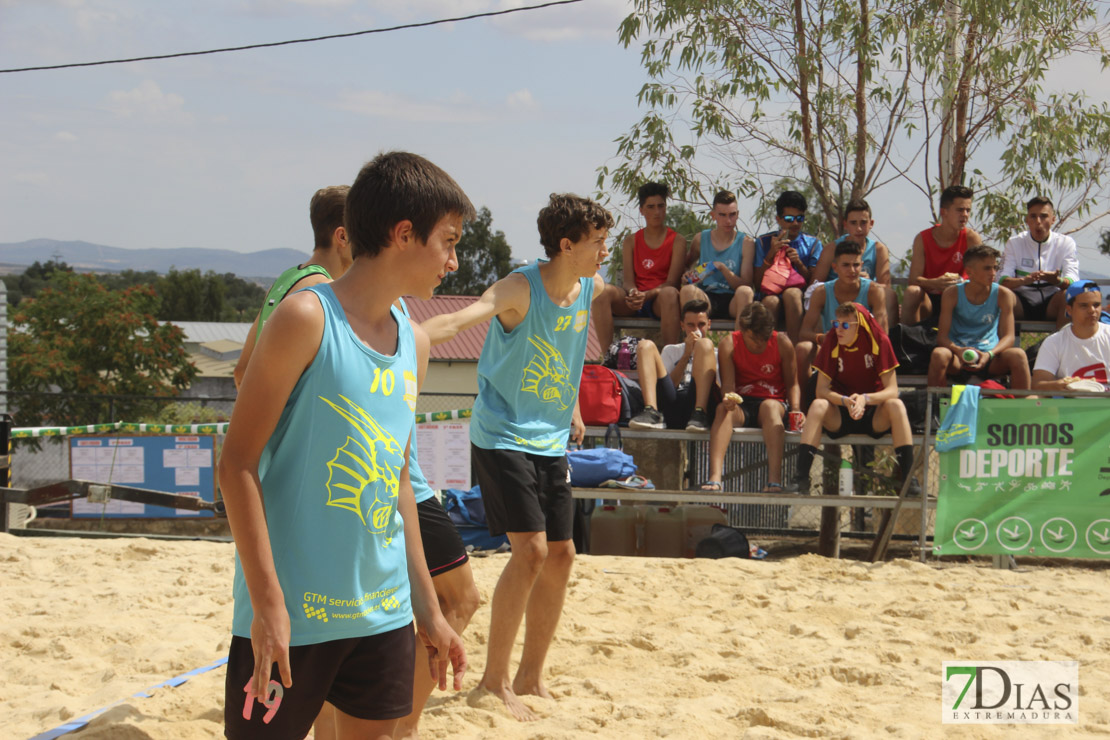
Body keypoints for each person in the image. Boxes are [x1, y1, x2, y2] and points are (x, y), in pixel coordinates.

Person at [218, 151, 470, 740]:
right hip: (293, 616)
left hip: (381, 615)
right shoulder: (306, 318)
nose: (454, 262)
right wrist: (267, 605)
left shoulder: (415, 341)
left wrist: (428, 610)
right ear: (403, 234)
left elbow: (398, 479)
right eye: (449, 243)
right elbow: (236, 465)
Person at [422, 193, 612, 722]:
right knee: (529, 552)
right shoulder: (518, 288)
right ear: (566, 245)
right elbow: (462, 320)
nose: (604, 251)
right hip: (502, 434)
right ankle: (493, 681)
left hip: (549, 438)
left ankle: (531, 675)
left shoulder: (588, 286)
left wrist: (570, 402)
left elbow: (567, 351)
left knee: (562, 555)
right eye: (597, 242)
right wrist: (409, 336)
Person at [791, 302, 918, 495]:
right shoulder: (832, 339)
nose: (839, 330)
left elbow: (892, 390)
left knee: (896, 405)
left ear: (860, 325)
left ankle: (909, 479)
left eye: (845, 325)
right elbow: (822, 390)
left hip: (873, 412)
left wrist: (864, 399)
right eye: (836, 323)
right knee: (818, 405)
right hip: (841, 412)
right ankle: (800, 478)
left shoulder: (879, 340)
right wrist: (846, 401)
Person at [234, 185, 353, 389]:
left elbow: (241, 372)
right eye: (365, 233)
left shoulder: (286, 279)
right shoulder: (324, 291)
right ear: (342, 237)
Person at [702, 302, 801, 492]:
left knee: (770, 408)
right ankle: (715, 477)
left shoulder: (782, 343)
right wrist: (728, 399)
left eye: (763, 338)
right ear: (743, 329)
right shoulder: (729, 343)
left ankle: (774, 480)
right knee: (722, 410)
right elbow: (728, 385)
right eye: (754, 338)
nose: (759, 343)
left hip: (773, 402)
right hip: (743, 403)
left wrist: (795, 408)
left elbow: (792, 383)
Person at [592, 182, 691, 348]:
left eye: (661, 206)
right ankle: (608, 358)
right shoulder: (631, 241)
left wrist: (647, 295)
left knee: (670, 294)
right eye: (651, 207)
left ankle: (670, 357)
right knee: (601, 292)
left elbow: (672, 282)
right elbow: (629, 280)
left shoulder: (677, 241)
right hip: (634, 300)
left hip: (659, 301)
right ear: (642, 210)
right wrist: (633, 293)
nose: (657, 212)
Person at [928, 245, 1031, 390]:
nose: (993, 273)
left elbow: (1009, 337)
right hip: (958, 357)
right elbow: (942, 338)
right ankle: (935, 407)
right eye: (987, 268)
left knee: (1018, 355)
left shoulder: (1003, 294)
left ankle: (1023, 409)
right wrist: (958, 351)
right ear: (970, 271)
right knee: (939, 354)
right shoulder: (952, 294)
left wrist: (989, 355)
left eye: (995, 268)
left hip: (990, 357)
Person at [795, 237, 888, 386]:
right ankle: (800, 407)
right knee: (803, 349)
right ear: (835, 267)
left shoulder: (874, 291)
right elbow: (804, 332)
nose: (852, 270)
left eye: (856, 265)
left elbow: (883, 334)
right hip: (833, 350)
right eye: (845, 265)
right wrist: (823, 338)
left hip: (864, 353)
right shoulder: (822, 292)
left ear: (862, 266)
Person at [628, 297, 719, 432]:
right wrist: (686, 355)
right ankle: (650, 410)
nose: (696, 330)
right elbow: (669, 386)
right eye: (690, 325)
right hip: (672, 405)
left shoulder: (715, 353)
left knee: (704, 344)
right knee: (645, 346)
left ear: (709, 324)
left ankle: (700, 413)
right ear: (682, 326)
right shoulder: (671, 350)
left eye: (701, 324)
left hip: (700, 404)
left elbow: (718, 390)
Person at [901, 184, 983, 325]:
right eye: (959, 210)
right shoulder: (923, 238)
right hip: (930, 300)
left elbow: (982, 277)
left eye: (968, 210)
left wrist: (960, 283)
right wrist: (935, 283)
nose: (965, 215)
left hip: (959, 300)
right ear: (944, 212)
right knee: (912, 292)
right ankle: (905, 339)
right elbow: (913, 280)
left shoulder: (972, 238)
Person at [807, 198, 897, 322]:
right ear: (845, 224)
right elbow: (815, 285)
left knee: (890, 295)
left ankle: (887, 338)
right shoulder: (831, 249)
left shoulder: (879, 249)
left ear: (871, 223)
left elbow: (886, 287)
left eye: (863, 223)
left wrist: (866, 282)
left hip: (865, 300)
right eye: (853, 223)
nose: (859, 228)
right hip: (836, 301)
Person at [1000, 196, 1079, 329]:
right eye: (1033, 216)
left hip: (1051, 303)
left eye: (1043, 216)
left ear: (1053, 219)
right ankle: (1004, 347)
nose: (1038, 222)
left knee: (1067, 296)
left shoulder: (1065, 243)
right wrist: (1024, 280)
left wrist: (1056, 280)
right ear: (1027, 220)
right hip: (1021, 302)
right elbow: (1002, 280)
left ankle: (1061, 347)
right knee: (1003, 294)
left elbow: (1073, 281)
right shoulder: (1015, 242)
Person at [754, 190, 823, 342]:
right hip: (770, 296)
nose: (795, 224)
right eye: (789, 218)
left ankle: (795, 353)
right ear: (778, 219)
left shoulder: (813, 244)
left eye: (800, 218)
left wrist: (798, 263)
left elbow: (814, 282)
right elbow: (757, 284)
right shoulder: (763, 242)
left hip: (798, 301)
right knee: (771, 302)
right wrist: (770, 256)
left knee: (792, 294)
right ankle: (766, 356)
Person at [686, 190, 755, 328]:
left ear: (737, 215)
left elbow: (746, 284)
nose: (728, 221)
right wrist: (688, 275)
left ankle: (739, 345)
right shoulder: (701, 239)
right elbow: (687, 265)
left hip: (733, 300)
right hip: (706, 299)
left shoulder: (746, 242)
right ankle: (694, 345)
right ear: (713, 216)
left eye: (732, 215)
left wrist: (722, 268)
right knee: (686, 291)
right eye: (722, 215)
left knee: (745, 292)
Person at [1032, 280, 1110, 391]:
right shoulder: (1054, 342)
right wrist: (1058, 385)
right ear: (1069, 310)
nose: (1092, 310)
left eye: (1096, 305)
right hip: (1068, 403)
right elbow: (1038, 385)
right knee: (1032, 399)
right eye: (1084, 306)